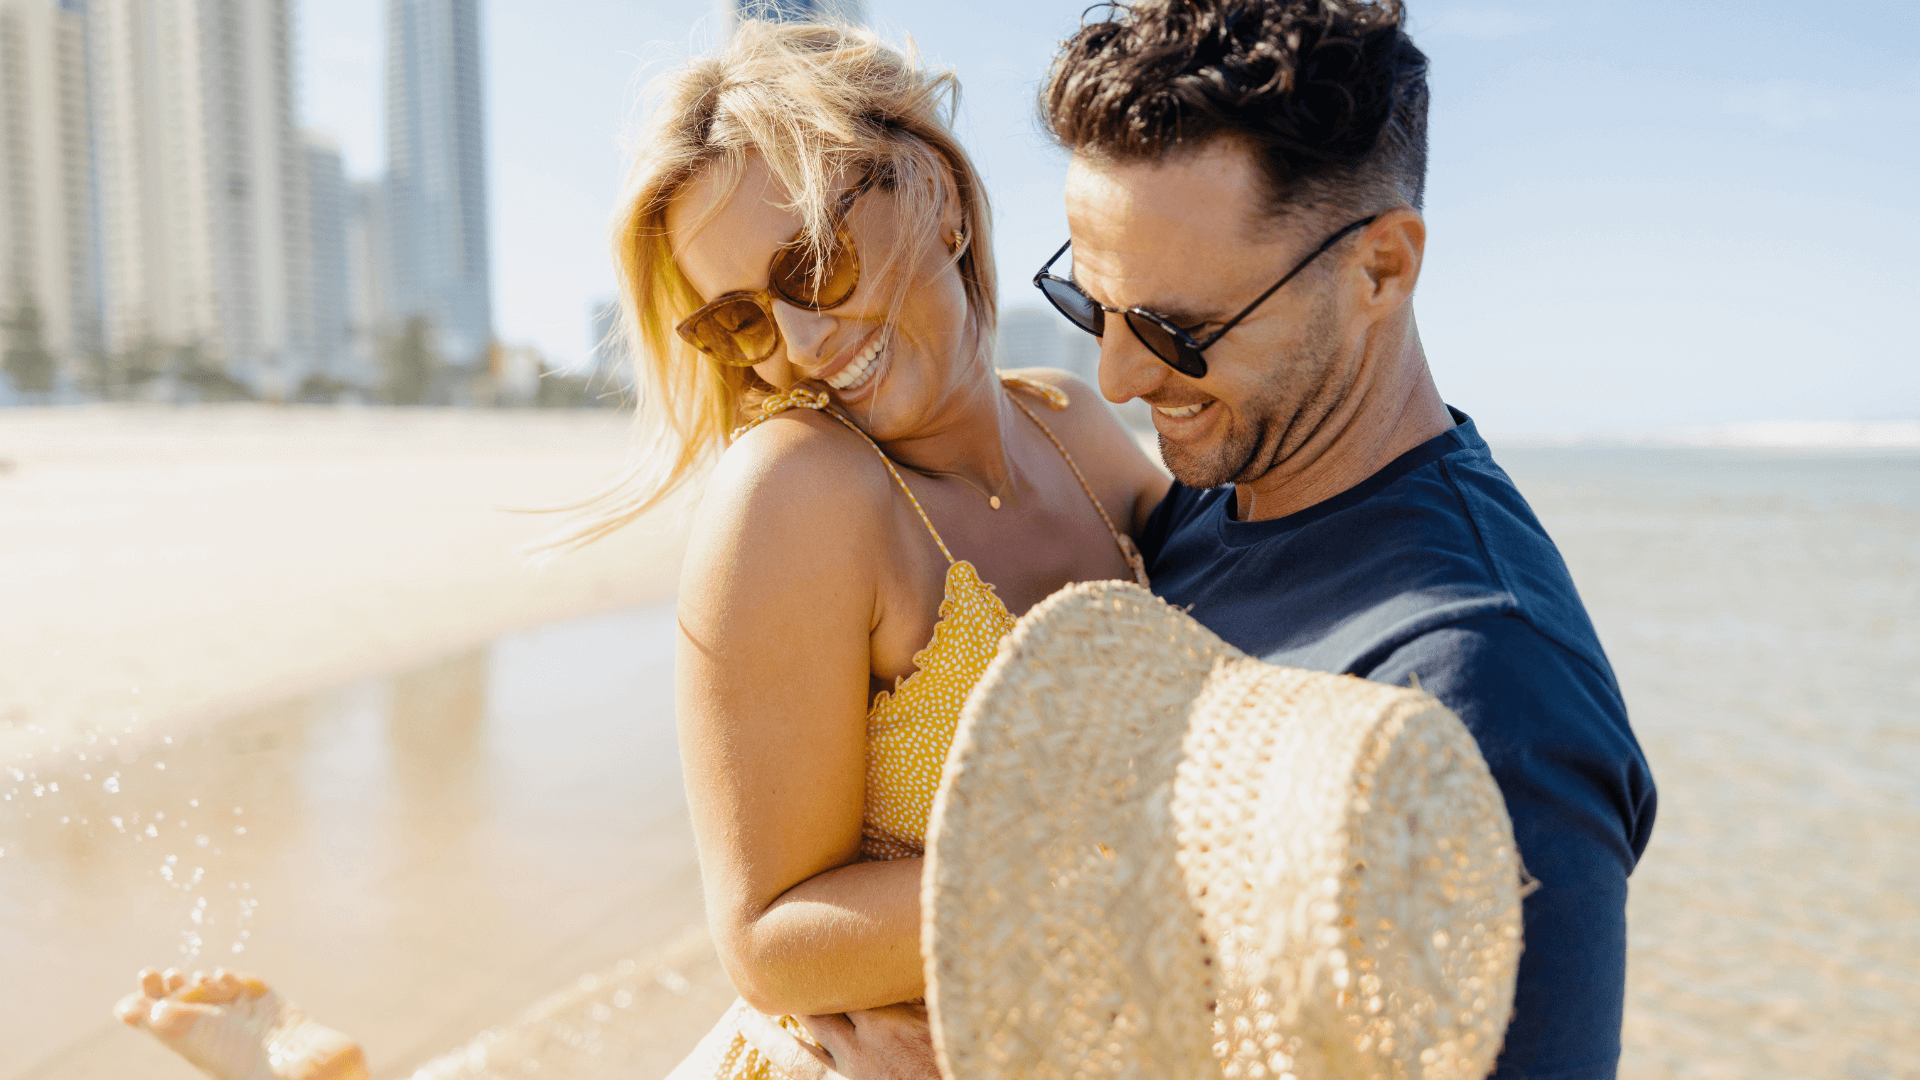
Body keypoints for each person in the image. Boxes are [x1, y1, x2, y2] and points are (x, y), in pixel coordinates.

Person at [113, 19, 1167, 1080]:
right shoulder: (802, 492)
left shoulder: (1074, 425)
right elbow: (765, 939)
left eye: (814, 262)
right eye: (741, 323)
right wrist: (1134, 857)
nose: (801, 345)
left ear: (935, 193)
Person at [757, 0, 1659, 1076]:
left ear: (1381, 269)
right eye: (1092, 305)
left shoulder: (1481, 695)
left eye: (1178, 332)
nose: (1120, 380)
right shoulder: (1197, 500)